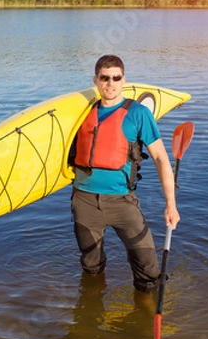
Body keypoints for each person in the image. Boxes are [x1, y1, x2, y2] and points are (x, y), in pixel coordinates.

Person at [71, 54, 180, 294]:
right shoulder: (80, 113)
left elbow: (161, 158)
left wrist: (171, 205)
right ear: (96, 80)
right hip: (84, 200)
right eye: (104, 78)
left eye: (116, 78)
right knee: (91, 265)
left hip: (121, 200)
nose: (110, 83)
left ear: (124, 80)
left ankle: (146, 309)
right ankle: (92, 308)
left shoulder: (138, 113)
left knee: (148, 266)